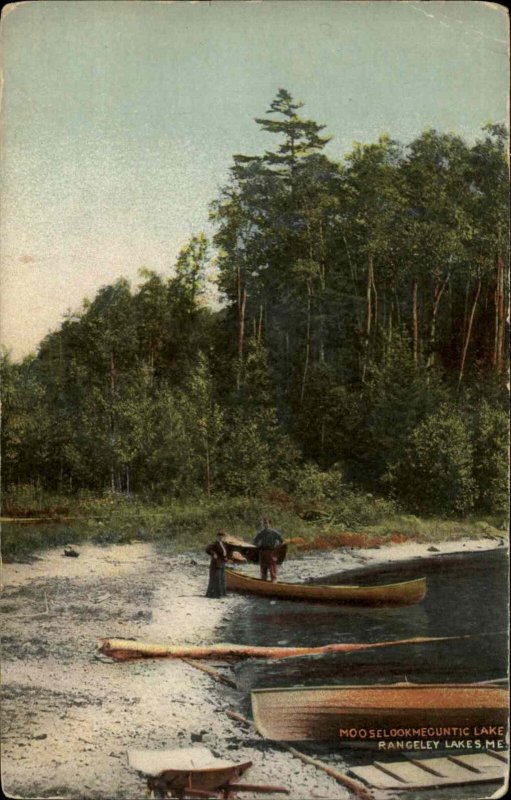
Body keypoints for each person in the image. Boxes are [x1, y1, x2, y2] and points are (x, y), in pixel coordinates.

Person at [253, 518, 284, 582]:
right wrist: (258, 547)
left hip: (271, 552)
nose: (265, 525)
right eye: (264, 523)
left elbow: (282, 540)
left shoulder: (274, 533)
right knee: (263, 568)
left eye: (267, 523)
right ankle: (264, 582)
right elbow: (255, 541)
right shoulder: (261, 533)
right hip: (262, 552)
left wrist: (277, 548)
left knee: (272, 568)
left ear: (270, 524)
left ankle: (274, 582)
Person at [205, 530, 229, 598]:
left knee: (222, 578)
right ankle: (213, 594)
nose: (221, 538)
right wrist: (213, 554)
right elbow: (207, 549)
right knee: (215, 578)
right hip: (215, 563)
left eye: (222, 537)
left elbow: (224, 553)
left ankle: (222, 594)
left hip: (222, 562)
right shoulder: (214, 544)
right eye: (219, 537)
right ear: (217, 537)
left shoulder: (223, 544)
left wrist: (225, 558)